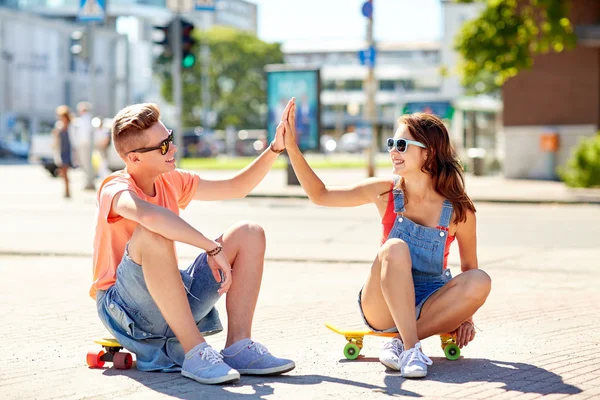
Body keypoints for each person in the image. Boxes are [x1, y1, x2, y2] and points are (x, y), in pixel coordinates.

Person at [91, 100, 295, 385]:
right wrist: (210, 247)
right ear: (134, 158)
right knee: (152, 233)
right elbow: (149, 215)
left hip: (170, 301)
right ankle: (195, 352)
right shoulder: (115, 188)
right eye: (163, 146)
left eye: (170, 139)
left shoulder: (170, 180)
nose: (173, 148)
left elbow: (236, 187)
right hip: (126, 311)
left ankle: (238, 347)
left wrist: (275, 149)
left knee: (250, 232)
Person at [282, 103, 491, 378]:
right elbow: (320, 195)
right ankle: (412, 348)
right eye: (392, 142)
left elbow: (468, 268)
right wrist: (292, 149)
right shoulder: (384, 193)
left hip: (431, 300)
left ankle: (401, 342)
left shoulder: (459, 210)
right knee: (394, 248)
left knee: (481, 279)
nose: (393, 150)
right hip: (381, 305)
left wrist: (466, 317)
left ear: (429, 153)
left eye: (402, 144)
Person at [52, 105, 75, 199]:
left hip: (70, 150)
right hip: (62, 151)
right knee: (64, 170)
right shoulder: (58, 126)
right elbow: (55, 140)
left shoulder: (73, 125)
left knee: (67, 170)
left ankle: (67, 189)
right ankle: (67, 190)